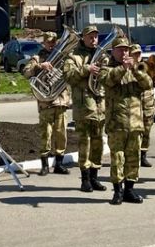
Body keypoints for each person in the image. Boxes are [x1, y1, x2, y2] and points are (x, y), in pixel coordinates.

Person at [101, 37, 147, 204]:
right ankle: (117, 191)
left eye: (126, 49)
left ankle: (130, 190)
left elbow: (148, 84)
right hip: (117, 123)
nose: (124, 52)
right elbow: (108, 80)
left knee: (133, 158)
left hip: (135, 123)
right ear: (113, 51)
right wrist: (123, 68)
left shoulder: (136, 68)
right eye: (120, 49)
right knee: (118, 159)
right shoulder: (107, 68)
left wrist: (135, 69)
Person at [62, 26, 106, 193]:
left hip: (99, 107)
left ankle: (95, 177)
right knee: (84, 143)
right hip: (83, 108)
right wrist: (86, 69)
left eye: (96, 36)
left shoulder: (102, 55)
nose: (94, 39)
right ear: (83, 38)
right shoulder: (73, 56)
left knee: (98, 143)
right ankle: (85, 179)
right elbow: (68, 76)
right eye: (90, 37)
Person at [23, 32, 70, 176]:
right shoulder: (37, 58)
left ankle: (59, 164)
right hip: (46, 103)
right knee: (46, 134)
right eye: (49, 42)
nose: (52, 44)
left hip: (61, 101)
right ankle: (44, 165)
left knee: (61, 134)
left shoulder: (63, 58)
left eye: (54, 42)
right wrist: (39, 67)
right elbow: (25, 72)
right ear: (43, 43)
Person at [132, 44, 155, 169]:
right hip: (135, 106)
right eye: (135, 53)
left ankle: (143, 156)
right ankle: (134, 156)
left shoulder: (146, 65)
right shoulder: (130, 68)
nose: (137, 56)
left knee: (147, 132)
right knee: (135, 133)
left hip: (148, 105)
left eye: (139, 53)